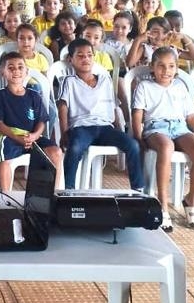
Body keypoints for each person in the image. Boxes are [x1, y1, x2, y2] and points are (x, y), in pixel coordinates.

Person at [131, 46, 194, 230]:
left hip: (179, 127)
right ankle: (163, 203)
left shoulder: (180, 86)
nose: (166, 71)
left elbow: (190, 117)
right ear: (152, 66)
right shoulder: (145, 86)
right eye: (161, 66)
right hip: (156, 128)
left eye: (171, 66)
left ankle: (191, 198)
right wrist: (137, 137)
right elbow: (137, 114)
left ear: (176, 68)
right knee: (166, 148)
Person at [57, 38, 142, 190]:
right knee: (75, 148)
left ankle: (138, 189)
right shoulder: (68, 81)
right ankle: (67, 190)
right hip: (81, 127)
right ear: (71, 60)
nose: (86, 59)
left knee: (133, 145)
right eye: (80, 56)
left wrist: (119, 129)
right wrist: (64, 133)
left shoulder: (105, 80)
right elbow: (63, 106)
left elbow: (112, 105)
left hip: (105, 128)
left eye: (89, 55)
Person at [0, 52, 63, 192]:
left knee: (56, 152)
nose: (16, 71)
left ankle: (53, 193)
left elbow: (42, 121)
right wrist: (17, 138)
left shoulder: (34, 95)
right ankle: (6, 196)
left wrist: (34, 136)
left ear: (26, 71)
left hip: (32, 137)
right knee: (4, 160)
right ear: (3, 73)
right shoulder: (0, 95)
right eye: (10, 68)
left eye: (20, 67)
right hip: (9, 137)